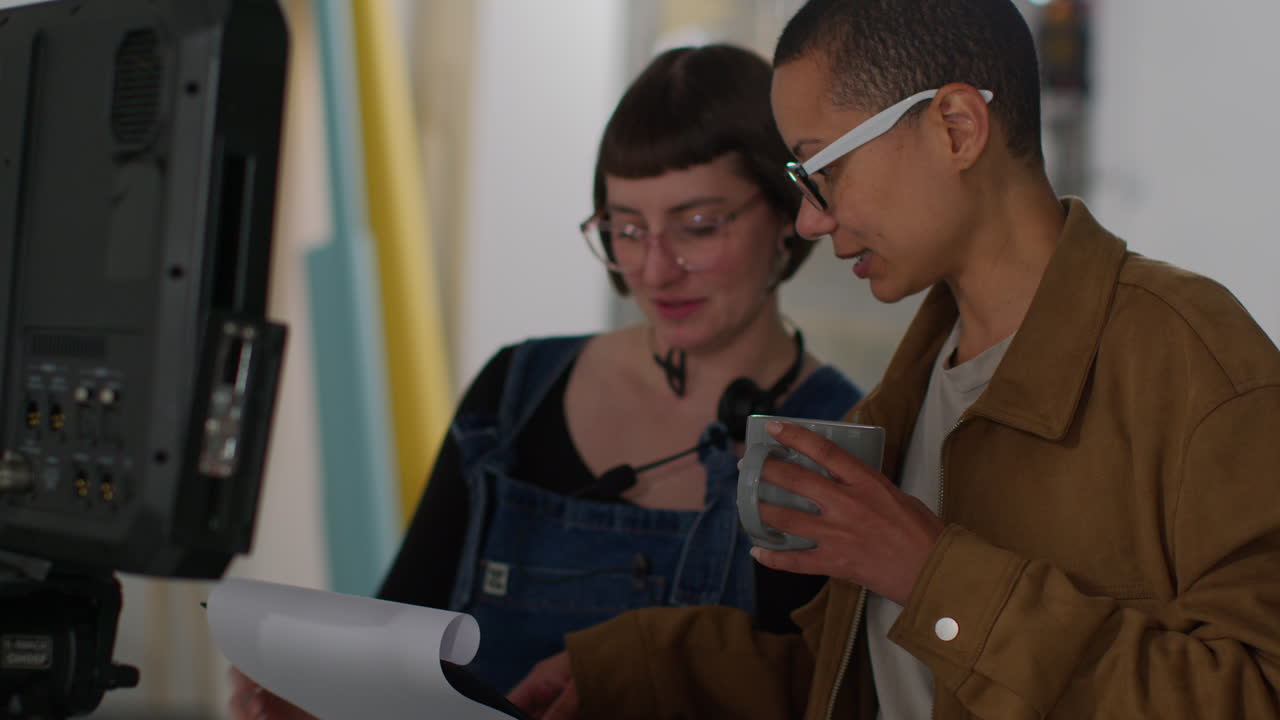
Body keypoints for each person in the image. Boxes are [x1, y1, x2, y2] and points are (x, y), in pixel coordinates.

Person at [506, 0, 1280, 718]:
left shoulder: (1191, 357)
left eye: (825, 168)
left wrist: (930, 575)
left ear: (956, 127)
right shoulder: (904, 395)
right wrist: (637, 667)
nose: (811, 218)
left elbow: (1253, 693)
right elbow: (863, 678)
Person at [227, 43, 864, 719]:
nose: (654, 269)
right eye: (624, 229)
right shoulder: (514, 393)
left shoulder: (838, 442)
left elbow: (831, 694)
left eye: (698, 227)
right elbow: (398, 642)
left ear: (790, 218)